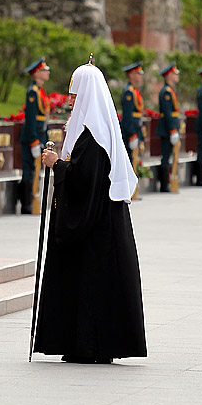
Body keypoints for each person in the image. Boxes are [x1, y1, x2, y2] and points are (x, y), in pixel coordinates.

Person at [35, 61, 147, 364]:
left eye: (75, 96)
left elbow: (85, 179)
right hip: (99, 221)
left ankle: (90, 345)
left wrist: (56, 164)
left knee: (92, 282)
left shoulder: (93, 134)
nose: (71, 102)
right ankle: (82, 343)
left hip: (95, 226)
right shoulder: (89, 129)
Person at [19, 58, 51, 214]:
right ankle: (26, 204)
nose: (48, 72)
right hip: (32, 137)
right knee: (29, 170)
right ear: (37, 73)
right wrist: (33, 141)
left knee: (35, 170)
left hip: (39, 136)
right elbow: (31, 118)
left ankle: (32, 201)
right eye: (45, 70)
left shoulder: (40, 91)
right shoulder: (33, 91)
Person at [157, 63, 180, 193]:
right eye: (175, 74)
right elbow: (167, 113)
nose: (177, 76)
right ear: (169, 76)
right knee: (165, 156)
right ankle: (164, 185)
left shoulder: (170, 91)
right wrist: (172, 129)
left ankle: (166, 183)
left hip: (170, 128)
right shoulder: (166, 92)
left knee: (169, 155)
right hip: (166, 129)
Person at [120, 62, 145, 163]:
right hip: (130, 132)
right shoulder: (128, 92)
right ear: (131, 75)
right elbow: (127, 116)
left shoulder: (134, 91)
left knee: (134, 160)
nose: (140, 76)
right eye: (138, 73)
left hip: (136, 129)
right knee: (129, 160)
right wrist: (132, 134)